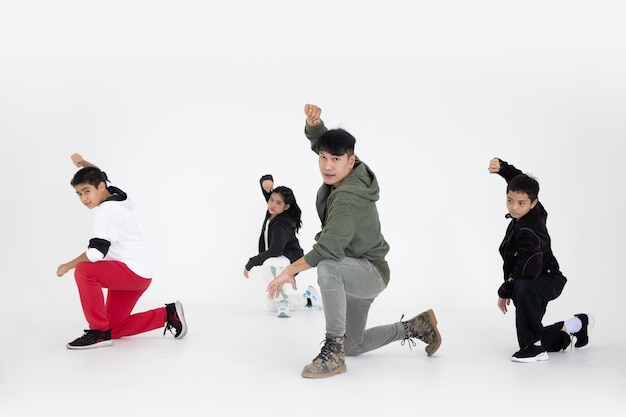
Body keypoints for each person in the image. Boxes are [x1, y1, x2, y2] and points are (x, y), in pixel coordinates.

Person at [267, 104, 442, 379]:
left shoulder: (347, 198)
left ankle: (333, 351)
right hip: (355, 267)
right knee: (355, 344)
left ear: (351, 160)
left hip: (369, 272)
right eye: (323, 157)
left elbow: (328, 249)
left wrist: (289, 270)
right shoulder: (354, 169)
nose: (327, 165)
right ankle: (416, 327)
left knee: (327, 265)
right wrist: (315, 126)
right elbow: (328, 145)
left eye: (335, 160)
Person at [56, 153, 187, 349]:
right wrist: (85, 165)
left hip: (131, 272)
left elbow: (95, 254)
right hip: (139, 273)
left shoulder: (104, 214)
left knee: (84, 271)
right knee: (114, 328)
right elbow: (102, 177)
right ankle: (168, 314)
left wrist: (67, 265)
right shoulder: (120, 199)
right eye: (79, 194)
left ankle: (98, 333)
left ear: (100, 187)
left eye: (86, 191)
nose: (84, 199)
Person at [488, 157, 594, 363]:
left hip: (543, 280)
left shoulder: (529, 229)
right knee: (532, 334)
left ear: (533, 202)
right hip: (536, 280)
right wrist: (503, 168)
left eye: (521, 203)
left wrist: (505, 290)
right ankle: (576, 325)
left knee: (522, 289)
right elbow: (519, 182)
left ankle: (535, 347)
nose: (514, 207)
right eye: (510, 200)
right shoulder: (534, 209)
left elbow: (528, 267)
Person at [244, 175, 322, 318]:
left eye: (278, 203)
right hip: (278, 259)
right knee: (271, 307)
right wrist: (266, 179)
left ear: (286, 207)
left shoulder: (281, 223)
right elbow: (267, 189)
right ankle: (309, 298)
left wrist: (252, 262)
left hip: (288, 259)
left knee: (269, 263)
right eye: (271, 200)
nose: (272, 204)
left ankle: (284, 300)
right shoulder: (273, 211)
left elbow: (275, 250)